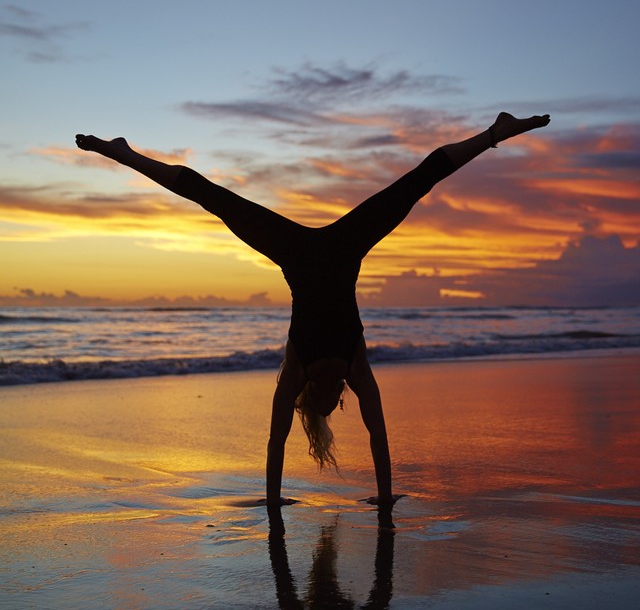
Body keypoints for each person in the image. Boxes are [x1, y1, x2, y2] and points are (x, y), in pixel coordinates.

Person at [76, 111, 550, 507]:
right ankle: (122, 153)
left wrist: (273, 503)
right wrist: (385, 497)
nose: (334, 404)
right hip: (343, 249)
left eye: (323, 410)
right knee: (414, 184)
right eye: (335, 405)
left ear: (311, 405)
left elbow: (275, 444)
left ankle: (122, 153)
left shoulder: (295, 372)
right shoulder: (355, 368)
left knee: (212, 195)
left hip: (298, 254)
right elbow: (379, 439)